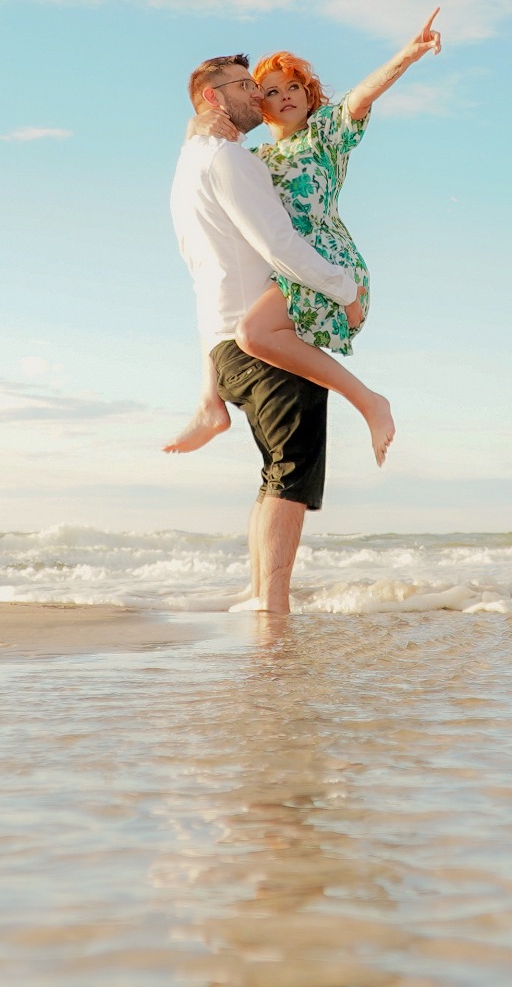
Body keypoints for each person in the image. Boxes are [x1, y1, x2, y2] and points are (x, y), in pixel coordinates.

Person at [164, 10, 442, 467]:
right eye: (269, 91)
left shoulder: (324, 134)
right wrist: (194, 125)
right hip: (290, 269)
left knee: (251, 332)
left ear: (307, 94)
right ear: (259, 105)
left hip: (330, 263)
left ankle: (371, 402)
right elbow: (216, 148)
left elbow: (362, 95)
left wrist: (407, 56)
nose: (283, 96)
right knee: (222, 294)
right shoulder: (255, 157)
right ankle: (209, 404)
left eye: (293, 86)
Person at [167, 54, 365, 614]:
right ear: (213, 98)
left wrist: (209, 386)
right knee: (292, 474)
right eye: (245, 86)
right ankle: (274, 609)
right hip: (268, 344)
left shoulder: (186, 171)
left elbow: (200, 277)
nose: (259, 95)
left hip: (225, 347)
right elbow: (281, 245)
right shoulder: (230, 160)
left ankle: (258, 597)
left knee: (274, 471)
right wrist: (344, 290)